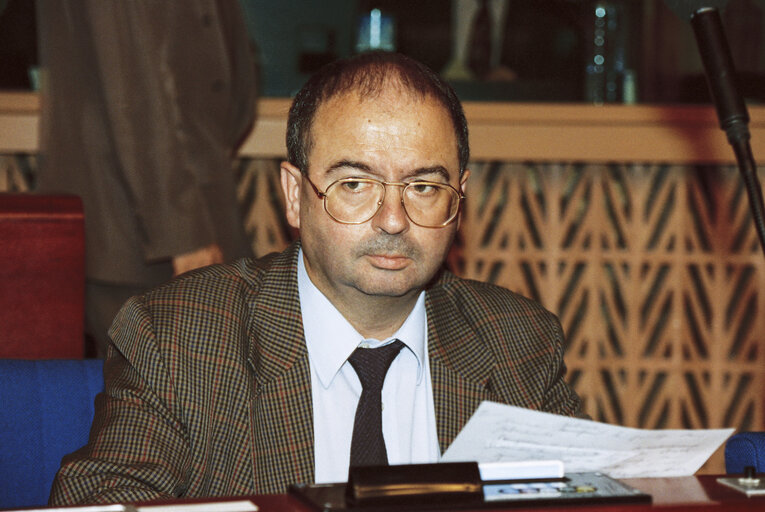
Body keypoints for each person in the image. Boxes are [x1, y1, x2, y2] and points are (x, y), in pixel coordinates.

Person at [50, 51, 585, 505]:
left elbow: (591, 498)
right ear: (293, 195)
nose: (393, 219)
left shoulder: (518, 344)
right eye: (355, 183)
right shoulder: (178, 338)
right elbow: (104, 503)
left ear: (459, 197)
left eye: (423, 186)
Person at [35, 0, 257, 357]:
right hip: (139, 231)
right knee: (164, 402)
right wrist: (182, 231)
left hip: (191, 204)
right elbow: (132, 86)